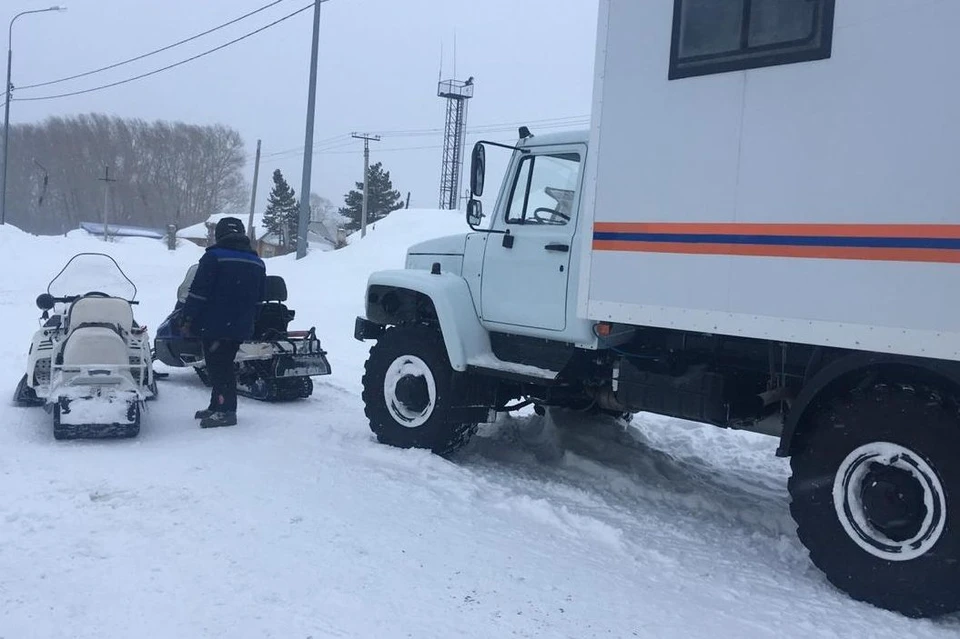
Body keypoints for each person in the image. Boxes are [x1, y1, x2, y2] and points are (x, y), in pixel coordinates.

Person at [180, 217, 266, 428]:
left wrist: (187, 318)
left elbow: (198, 292)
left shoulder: (213, 257)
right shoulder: (257, 261)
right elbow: (260, 296)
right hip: (240, 324)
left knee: (219, 367)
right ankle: (216, 406)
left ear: (219, 234)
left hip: (214, 323)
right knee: (222, 364)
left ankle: (226, 410)